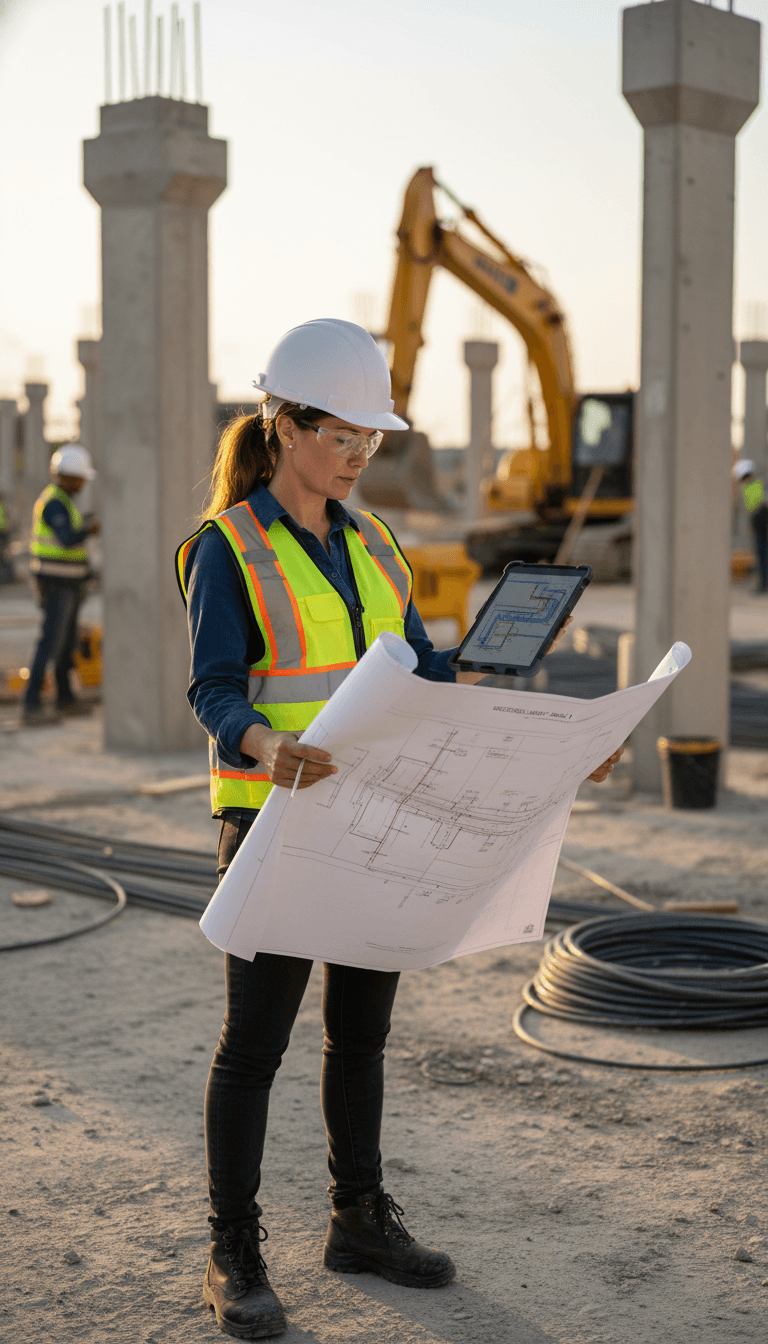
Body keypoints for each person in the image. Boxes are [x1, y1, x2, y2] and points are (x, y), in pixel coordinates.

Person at [177, 319, 622, 1340]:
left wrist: (546, 736)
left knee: (360, 1036)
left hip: (374, 813)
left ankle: (359, 1221)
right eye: (344, 436)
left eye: (372, 439)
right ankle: (233, 1250)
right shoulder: (227, 546)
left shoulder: (374, 541)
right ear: (285, 426)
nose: (360, 454)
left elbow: (422, 673)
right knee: (253, 1047)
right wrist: (261, 741)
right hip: (275, 815)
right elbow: (209, 686)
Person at [22, 444, 100, 726]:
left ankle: (64, 698)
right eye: (79, 477)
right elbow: (67, 539)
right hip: (55, 584)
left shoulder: (65, 501)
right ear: (66, 476)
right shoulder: (54, 502)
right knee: (50, 641)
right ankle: (31, 703)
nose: (82, 483)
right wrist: (90, 529)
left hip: (68, 583)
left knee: (65, 643)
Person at [734, 459, 768, 593]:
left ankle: (764, 584)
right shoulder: (756, 486)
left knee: (763, 554)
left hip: (761, 520)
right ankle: (763, 583)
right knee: (762, 554)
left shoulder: (755, 486)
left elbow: (755, 507)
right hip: (759, 521)